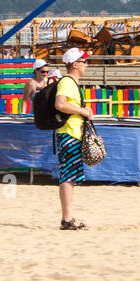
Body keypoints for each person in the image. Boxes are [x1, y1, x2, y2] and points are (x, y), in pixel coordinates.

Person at [53, 48, 94, 230]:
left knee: (71, 177)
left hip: (72, 134)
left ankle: (68, 218)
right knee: (68, 176)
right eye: (84, 61)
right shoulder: (67, 82)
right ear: (75, 64)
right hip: (69, 134)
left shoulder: (71, 82)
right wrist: (82, 110)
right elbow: (60, 104)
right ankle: (67, 219)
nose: (86, 64)